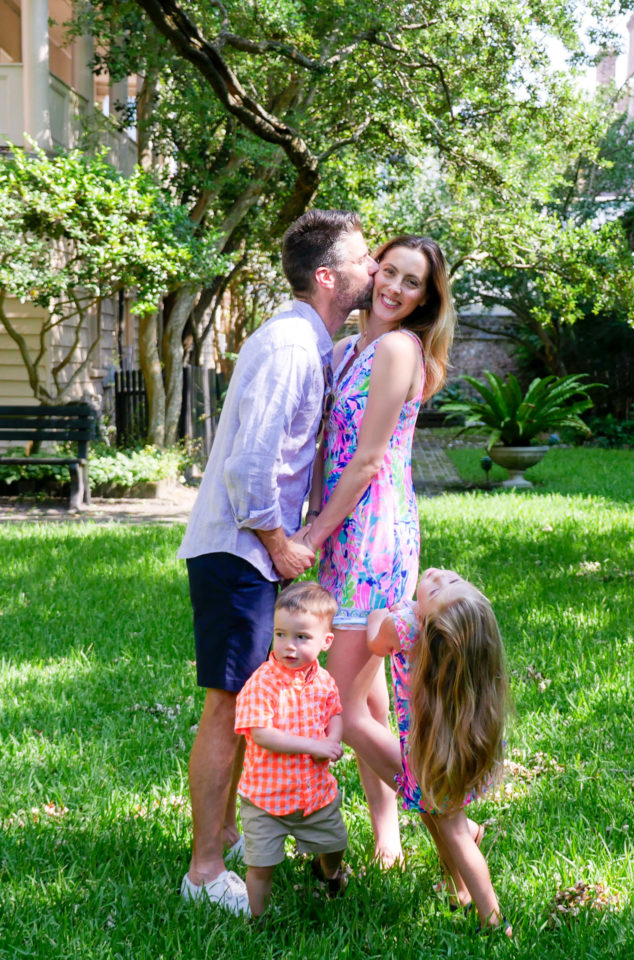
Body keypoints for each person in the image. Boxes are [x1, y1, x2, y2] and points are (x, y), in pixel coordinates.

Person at [177, 210, 378, 914]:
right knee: (230, 705)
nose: (374, 270)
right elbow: (248, 465)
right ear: (329, 277)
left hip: (245, 551)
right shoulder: (292, 345)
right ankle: (204, 871)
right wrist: (277, 542)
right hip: (238, 550)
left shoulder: (309, 341)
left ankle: (227, 832)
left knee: (236, 704)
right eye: (363, 260)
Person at [294, 236, 454, 865]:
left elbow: (364, 462)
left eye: (411, 282)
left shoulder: (396, 347)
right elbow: (321, 449)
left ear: (425, 299)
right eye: (388, 271)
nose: (393, 288)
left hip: (369, 539)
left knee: (342, 706)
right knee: (368, 698)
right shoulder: (343, 350)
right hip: (342, 529)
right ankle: (387, 838)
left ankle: (450, 822)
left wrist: (313, 533)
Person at [366, 567, 512, 935]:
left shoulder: (404, 627)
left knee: (454, 831)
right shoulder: (472, 650)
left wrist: (378, 615)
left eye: (437, 589)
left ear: (428, 624)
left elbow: (373, 642)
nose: (437, 575)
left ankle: (493, 920)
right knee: (447, 822)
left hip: (428, 756)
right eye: (449, 579)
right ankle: (458, 892)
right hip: (455, 750)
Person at [234, 582, 348, 917]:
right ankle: (259, 919)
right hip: (266, 800)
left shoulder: (323, 680)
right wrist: (313, 745)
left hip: (315, 795)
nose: (289, 646)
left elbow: (335, 713)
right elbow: (262, 733)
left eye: (301, 637)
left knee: (334, 843)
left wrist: (333, 740)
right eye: (281, 634)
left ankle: (329, 873)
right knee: (261, 865)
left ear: (326, 642)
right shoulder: (262, 682)